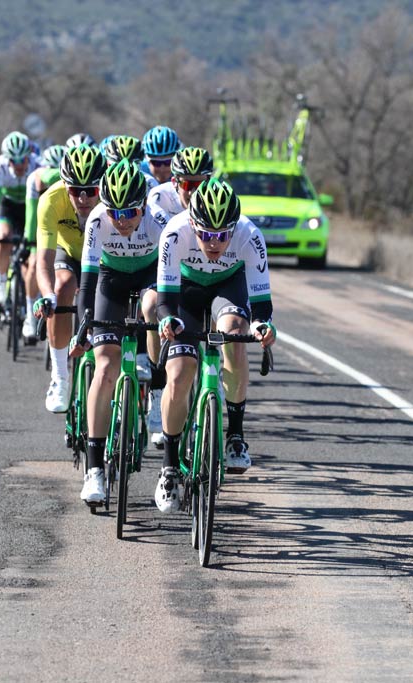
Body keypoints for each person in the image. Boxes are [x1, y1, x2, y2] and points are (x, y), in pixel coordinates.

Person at [153, 178, 276, 512]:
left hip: (228, 286)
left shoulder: (250, 235)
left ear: (234, 228)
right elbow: (165, 301)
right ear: (193, 224)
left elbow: (261, 303)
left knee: (235, 335)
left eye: (223, 236)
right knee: (180, 373)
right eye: (206, 234)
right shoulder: (175, 232)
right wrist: (168, 320)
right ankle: (169, 466)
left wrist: (262, 326)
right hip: (186, 291)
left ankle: (235, 435)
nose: (214, 243)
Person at [70, 160, 163, 504]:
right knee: (105, 368)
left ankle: (156, 387)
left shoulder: (159, 221)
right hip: (110, 281)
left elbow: (173, 278)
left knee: (152, 307)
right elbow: (87, 282)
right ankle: (94, 470)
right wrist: (84, 327)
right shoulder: (97, 220)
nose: (121, 220)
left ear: (144, 206)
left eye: (130, 212)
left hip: (151, 276)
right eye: (115, 213)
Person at [143, 146, 215, 445]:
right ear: (175, 182)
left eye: (200, 183)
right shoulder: (158, 198)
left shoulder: (218, 199)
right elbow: (163, 243)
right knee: (151, 306)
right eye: (187, 183)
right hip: (164, 264)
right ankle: (158, 384)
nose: (193, 190)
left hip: (204, 269)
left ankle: (214, 380)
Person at [34, 144, 106, 412]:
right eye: (76, 190)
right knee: (62, 286)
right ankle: (60, 378)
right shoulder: (50, 201)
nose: (84, 198)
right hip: (68, 252)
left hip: (102, 257)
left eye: (91, 191)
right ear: (65, 185)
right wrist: (47, 296)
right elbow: (43, 261)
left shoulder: (112, 201)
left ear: (102, 187)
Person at [0, 131, 38, 329]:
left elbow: (38, 207)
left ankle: (29, 308)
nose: (19, 165)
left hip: (31, 210)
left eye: (23, 159)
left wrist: (30, 238)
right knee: (2, 236)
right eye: (14, 160)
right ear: (7, 160)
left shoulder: (37, 165)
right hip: (9, 208)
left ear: (29, 156)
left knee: (31, 256)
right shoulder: (1, 166)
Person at [21, 144, 66, 342]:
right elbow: (31, 216)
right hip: (40, 226)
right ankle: (30, 318)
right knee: (34, 264)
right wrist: (29, 241)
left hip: (62, 229)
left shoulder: (68, 184)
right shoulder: (35, 178)